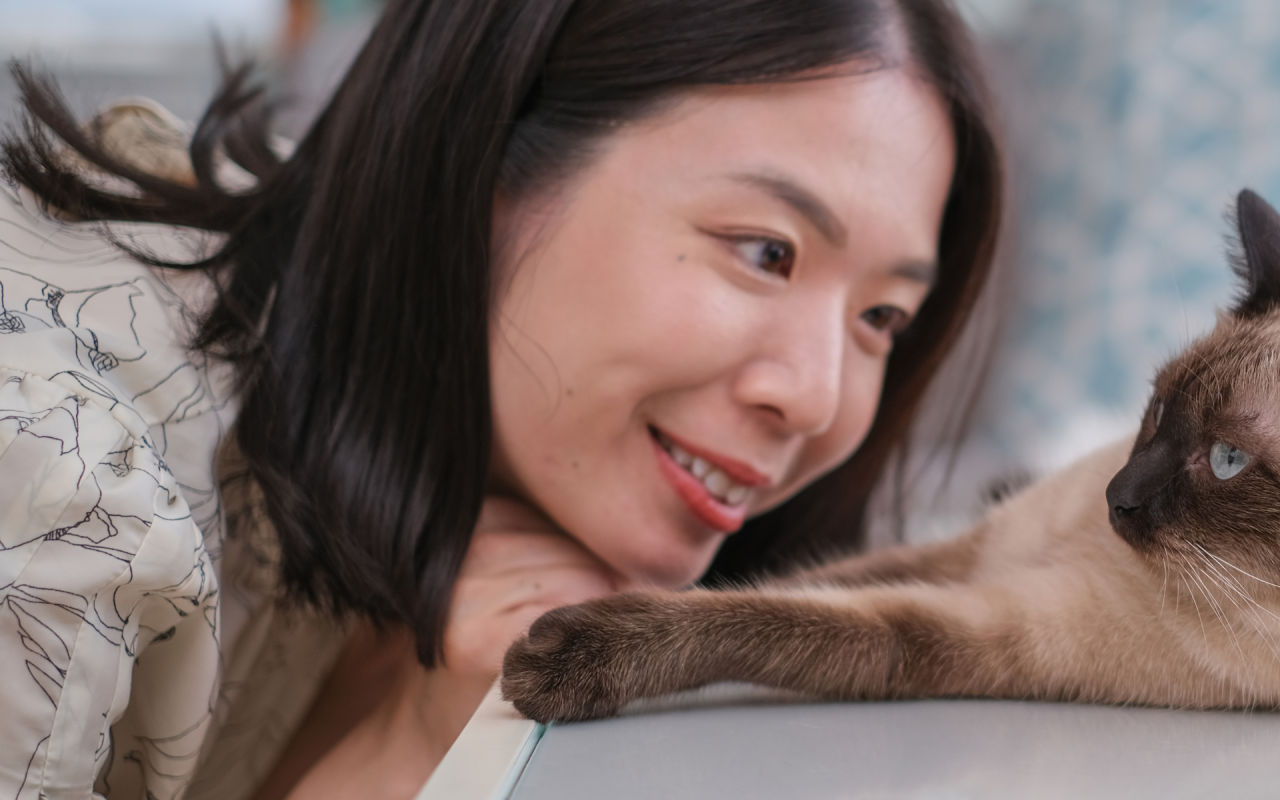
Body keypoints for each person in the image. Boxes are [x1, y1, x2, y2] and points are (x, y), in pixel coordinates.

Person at [0, 0, 1002, 797]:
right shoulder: (61, 505)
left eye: (884, 318)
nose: (820, 398)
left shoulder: (485, 488)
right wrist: (400, 758)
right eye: (766, 252)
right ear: (483, 155)